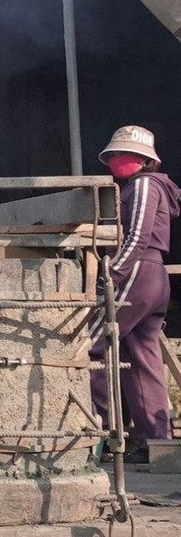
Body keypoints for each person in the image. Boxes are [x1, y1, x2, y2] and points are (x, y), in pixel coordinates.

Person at [92, 126, 179, 462]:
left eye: (122, 154)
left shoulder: (144, 185)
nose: (116, 159)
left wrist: (112, 273)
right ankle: (155, 444)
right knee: (142, 357)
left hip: (138, 272)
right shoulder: (145, 186)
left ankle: (97, 433)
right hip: (153, 276)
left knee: (90, 345)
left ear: (144, 159)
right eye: (113, 154)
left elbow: (138, 236)